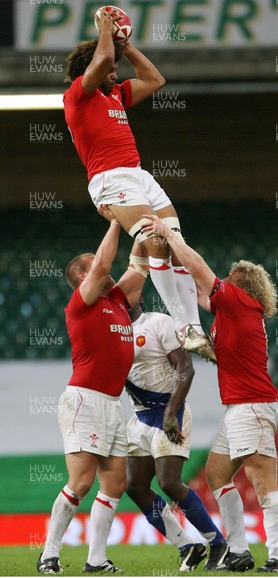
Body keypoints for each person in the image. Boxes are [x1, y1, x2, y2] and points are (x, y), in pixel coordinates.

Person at [63, 9, 215, 364]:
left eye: (117, 67)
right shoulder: (77, 96)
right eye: (112, 67)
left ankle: (192, 327)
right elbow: (100, 60)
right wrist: (104, 33)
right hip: (110, 179)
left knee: (175, 243)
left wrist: (127, 47)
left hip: (139, 175)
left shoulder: (115, 94)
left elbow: (155, 79)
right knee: (155, 241)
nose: (116, 71)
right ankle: (184, 326)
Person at [141, 215, 278, 573]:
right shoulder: (235, 311)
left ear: (242, 286)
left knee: (262, 481)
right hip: (242, 407)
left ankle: (277, 558)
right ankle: (238, 550)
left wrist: (169, 236)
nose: (221, 283)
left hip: (252, 405)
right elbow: (197, 291)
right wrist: (172, 264)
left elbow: (200, 270)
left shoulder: (238, 302)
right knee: (217, 474)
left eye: (229, 280)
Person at [37, 209, 149, 574]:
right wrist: (116, 220)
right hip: (85, 398)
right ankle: (49, 554)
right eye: (96, 267)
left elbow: (140, 267)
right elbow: (103, 264)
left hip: (113, 403)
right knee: (82, 481)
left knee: (114, 483)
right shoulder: (81, 303)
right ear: (83, 276)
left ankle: (96, 560)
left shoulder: (116, 301)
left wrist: (144, 225)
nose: (108, 271)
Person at [125, 299, 228, 571]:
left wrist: (171, 413)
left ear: (141, 297)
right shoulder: (113, 332)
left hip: (169, 411)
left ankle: (218, 543)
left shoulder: (159, 322)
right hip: (138, 416)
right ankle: (187, 546)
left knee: (169, 482)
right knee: (134, 486)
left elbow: (186, 368)